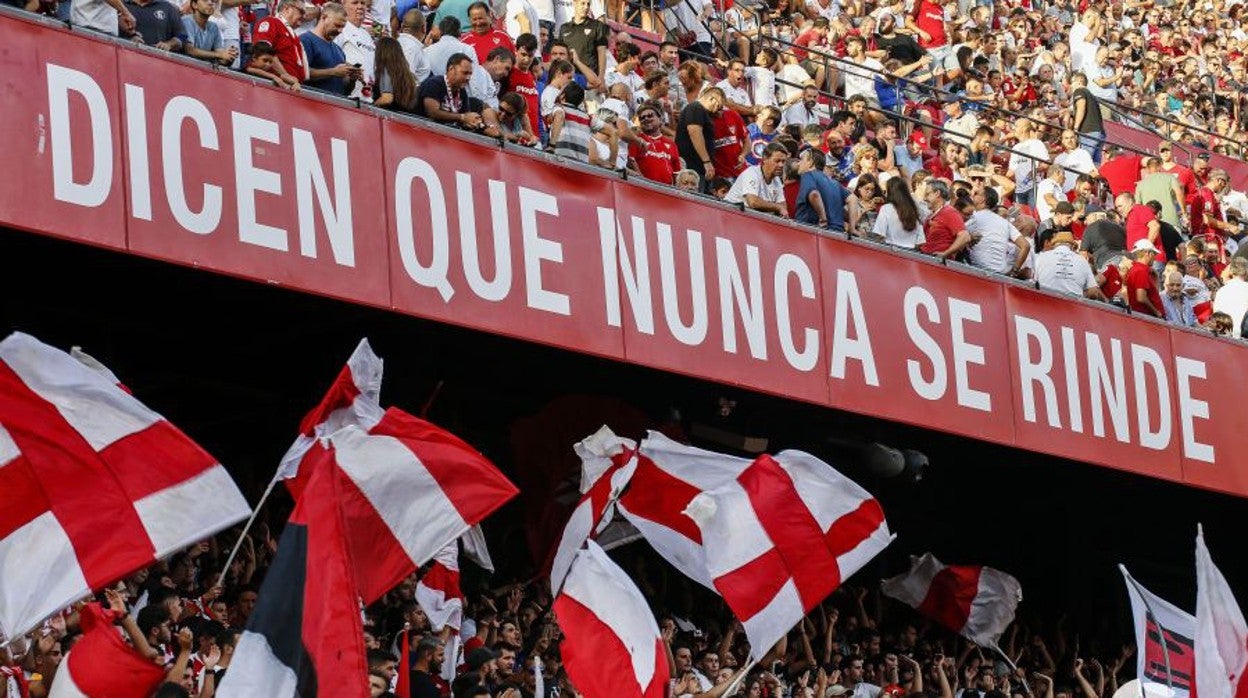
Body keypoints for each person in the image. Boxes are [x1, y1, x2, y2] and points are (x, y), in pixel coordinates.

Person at [960, 187, 1031, 277]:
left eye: (976, 193)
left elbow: (957, 236)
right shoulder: (1005, 223)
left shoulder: (974, 218)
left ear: (982, 199)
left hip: (976, 271)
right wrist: (1014, 272)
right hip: (999, 275)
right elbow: (1026, 246)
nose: (972, 196)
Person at [418, 53, 495, 136]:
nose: (468, 78)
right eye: (465, 73)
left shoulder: (462, 92)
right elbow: (432, 113)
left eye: (470, 74)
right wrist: (462, 117)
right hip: (421, 132)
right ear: (451, 69)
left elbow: (466, 121)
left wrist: (483, 127)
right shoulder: (434, 83)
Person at [301, 3, 360, 96]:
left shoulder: (339, 51)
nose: (340, 31)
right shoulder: (306, 40)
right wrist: (333, 72)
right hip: (311, 102)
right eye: (337, 25)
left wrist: (352, 79)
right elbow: (301, 72)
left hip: (335, 105)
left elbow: (345, 90)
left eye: (343, 27)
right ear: (324, 17)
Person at [675, 88, 724, 190]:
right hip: (692, 168)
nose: (719, 109)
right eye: (719, 105)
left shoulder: (702, 112)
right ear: (711, 99)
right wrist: (706, 161)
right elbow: (694, 133)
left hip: (697, 167)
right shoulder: (696, 108)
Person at [724, 143, 788, 217]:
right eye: (777, 161)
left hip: (746, 218)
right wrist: (777, 207)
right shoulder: (751, 173)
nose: (781, 165)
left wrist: (779, 208)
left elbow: (783, 207)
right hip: (729, 215)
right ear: (764, 159)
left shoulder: (776, 180)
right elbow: (753, 202)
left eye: (783, 161)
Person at [1036, 231, 1105, 299]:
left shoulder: (1041, 257)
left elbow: (1032, 281)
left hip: (1045, 302)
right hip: (1072, 305)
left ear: (1054, 244)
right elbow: (1093, 292)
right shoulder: (1082, 260)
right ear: (1072, 246)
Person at [556, 0, 608, 86]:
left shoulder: (597, 26)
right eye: (583, 3)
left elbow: (602, 52)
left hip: (590, 80)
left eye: (588, 4)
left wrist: (601, 77)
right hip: (570, 79)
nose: (586, 7)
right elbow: (561, 54)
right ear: (574, 3)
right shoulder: (564, 28)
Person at [628, 101, 681, 185]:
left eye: (650, 115)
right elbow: (631, 161)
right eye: (642, 118)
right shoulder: (636, 139)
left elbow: (676, 172)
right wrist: (643, 182)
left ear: (660, 120)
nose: (646, 118)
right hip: (644, 187)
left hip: (667, 191)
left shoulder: (671, 144)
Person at [796, 149, 849, 231]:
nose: (798, 163)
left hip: (811, 232)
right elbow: (853, 200)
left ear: (810, 162)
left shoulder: (807, 175)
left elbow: (814, 194)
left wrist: (823, 219)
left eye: (801, 159)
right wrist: (853, 226)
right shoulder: (835, 183)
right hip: (837, 233)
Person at [921, 180, 972, 261]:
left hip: (939, 264)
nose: (924, 198)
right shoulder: (931, 216)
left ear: (937, 193)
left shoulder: (949, 212)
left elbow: (965, 237)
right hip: (928, 260)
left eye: (927, 194)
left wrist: (946, 253)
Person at [333, 0, 374, 100]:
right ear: (343, 5)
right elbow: (331, 56)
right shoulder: (340, 28)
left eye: (363, 3)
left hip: (367, 97)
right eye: (355, 3)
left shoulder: (367, 34)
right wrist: (351, 68)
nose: (360, 6)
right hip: (346, 96)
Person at [872, 176, 924, 249]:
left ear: (890, 192)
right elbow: (920, 241)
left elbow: (879, 235)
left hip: (891, 251)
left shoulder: (886, 208)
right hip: (911, 254)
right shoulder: (914, 209)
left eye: (886, 191)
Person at [182, 0, 235, 65]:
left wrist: (230, 56)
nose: (210, 3)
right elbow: (189, 50)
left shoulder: (214, 27)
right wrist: (220, 55)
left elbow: (221, 58)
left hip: (203, 71)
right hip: (184, 68)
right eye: (205, 0)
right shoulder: (186, 21)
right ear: (194, 5)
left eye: (213, 1)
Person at [374, 37, 419, 112]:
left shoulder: (386, 69)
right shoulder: (406, 73)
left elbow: (387, 98)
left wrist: (370, 106)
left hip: (387, 116)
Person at [1125, 239, 1164, 318]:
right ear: (1147, 253)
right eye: (1154, 254)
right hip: (1147, 318)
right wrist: (1156, 312)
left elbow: (1153, 295)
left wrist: (1156, 278)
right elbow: (1141, 297)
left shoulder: (1138, 269)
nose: (1155, 257)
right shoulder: (1140, 271)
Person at [397, 9, 432, 87]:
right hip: (409, 95)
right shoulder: (411, 47)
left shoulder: (397, 42)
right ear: (423, 28)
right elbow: (404, 79)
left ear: (402, 26)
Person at [1212, 257, 1248, 335]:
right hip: (1243, 336)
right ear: (1246, 271)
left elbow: (1217, 315)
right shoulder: (1221, 291)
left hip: (1225, 335)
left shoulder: (1221, 291)